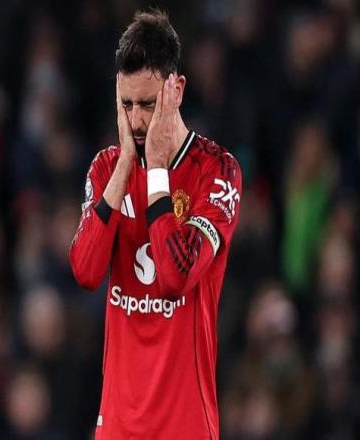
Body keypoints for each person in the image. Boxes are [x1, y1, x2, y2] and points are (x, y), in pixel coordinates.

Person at [69, 9, 242, 439]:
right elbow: (86, 271)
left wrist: (158, 171)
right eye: (127, 104)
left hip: (184, 424)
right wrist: (127, 164)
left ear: (176, 89)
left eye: (148, 104)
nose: (136, 121)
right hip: (118, 425)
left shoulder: (217, 171)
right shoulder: (107, 168)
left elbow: (174, 277)